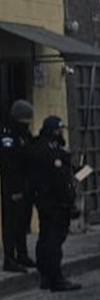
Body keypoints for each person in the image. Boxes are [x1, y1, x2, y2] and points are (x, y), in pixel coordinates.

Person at [30, 116, 81, 291]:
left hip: (45, 201)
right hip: (55, 203)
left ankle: (45, 277)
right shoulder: (52, 152)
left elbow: (71, 174)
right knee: (53, 243)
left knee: (45, 240)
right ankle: (56, 279)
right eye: (59, 130)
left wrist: (81, 171)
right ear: (54, 131)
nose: (61, 133)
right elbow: (61, 180)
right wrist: (69, 201)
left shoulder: (42, 147)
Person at [1, 100, 36, 273]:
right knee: (11, 223)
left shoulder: (25, 135)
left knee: (22, 222)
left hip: (25, 184)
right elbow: (9, 163)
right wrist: (15, 190)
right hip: (13, 186)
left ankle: (22, 254)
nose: (28, 124)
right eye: (26, 120)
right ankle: (9, 258)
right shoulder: (9, 136)